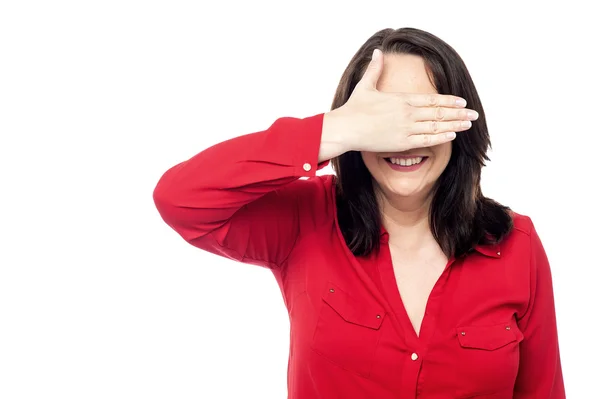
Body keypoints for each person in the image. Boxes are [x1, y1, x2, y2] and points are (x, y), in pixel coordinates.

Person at [153, 27, 565, 399]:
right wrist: (335, 130)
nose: (404, 139)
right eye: (385, 119)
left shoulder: (518, 244)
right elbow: (181, 199)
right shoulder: (306, 219)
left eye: (423, 115)